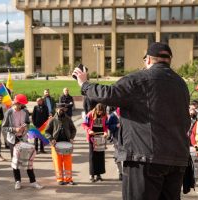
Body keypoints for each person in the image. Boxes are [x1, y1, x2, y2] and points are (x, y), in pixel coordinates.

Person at [72, 42, 190, 200]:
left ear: (148, 59)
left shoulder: (139, 79)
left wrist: (84, 84)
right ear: (169, 60)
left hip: (144, 158)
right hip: (176, 160)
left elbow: (108, 94)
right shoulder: (181, 84)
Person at [2, 94, 44, 190]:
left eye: (21, 105)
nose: (20, 106)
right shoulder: (8, 113)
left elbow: (28, 124)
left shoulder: (25, 112)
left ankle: (33, 181)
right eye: (19, 104)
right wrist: (14, 129)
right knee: (15, 161)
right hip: (13, 140)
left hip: (23, 138)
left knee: (28, 160)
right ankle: (17, 181)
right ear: (15, 102)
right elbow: (4, 128)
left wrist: (25, 127)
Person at [45, 103, 77, 185]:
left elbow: (73, 129)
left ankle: (68, 179)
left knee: (68, 162)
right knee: (57, 162)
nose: (62, 110)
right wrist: (51, 139)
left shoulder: (68, 119)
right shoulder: (52, 120)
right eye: (61, 109)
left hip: (67, 143)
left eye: (64, 109)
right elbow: (47, 132)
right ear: (56, 109)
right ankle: (60, 179)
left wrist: (71, 138)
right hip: (56, 144)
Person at [82, 103, 108, 182]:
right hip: (92, 138)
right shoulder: (90, 114)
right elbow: (84, 124)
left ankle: (98, 175)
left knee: (100, 156)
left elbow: (106, 126)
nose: (100, 113)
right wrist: (89, 130)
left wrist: (106, 132)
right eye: (99, 112)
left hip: (101, 138)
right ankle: (92, 174)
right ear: (96, 110)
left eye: (101, 112)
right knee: (93, 157)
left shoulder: (105, 115)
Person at [107, 106, 122, 181]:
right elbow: (108, 126)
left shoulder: (125, 114)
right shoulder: (113, 116)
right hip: (116, 138)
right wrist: (115, 126)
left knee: (126, 156)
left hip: (125, 139)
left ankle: (125, 172)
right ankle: (120, 172)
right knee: (118, 156)